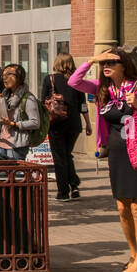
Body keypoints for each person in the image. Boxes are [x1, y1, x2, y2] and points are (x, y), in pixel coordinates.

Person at [70, 48, 137, 272]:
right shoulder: (103, 88)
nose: (107, 66)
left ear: (124, 65)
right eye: (104, 63)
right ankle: (134, 256)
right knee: (122, 208)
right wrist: (91, 59)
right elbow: (75, 81)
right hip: (116, 153)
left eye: (112, 62)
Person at [43, 53, 91, 201]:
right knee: (67, 154)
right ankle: (74, 186)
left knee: (59, 158)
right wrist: (88, 124)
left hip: (56, 124)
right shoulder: (77, 81)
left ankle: (63, 192)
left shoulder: (49, 79)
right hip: (74, 124)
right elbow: (83, 105)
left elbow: (43, 102)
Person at [0, 63, 40, 160]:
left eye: (9, 74)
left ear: (19, 77)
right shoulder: (5, 95)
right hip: (2, 143)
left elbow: (35, 122)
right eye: (3, 75)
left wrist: (14, 124)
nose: (4, 78)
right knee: (1, 174)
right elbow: (1, 117)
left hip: (17, 146)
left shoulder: (28, 98)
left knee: (16, 174)